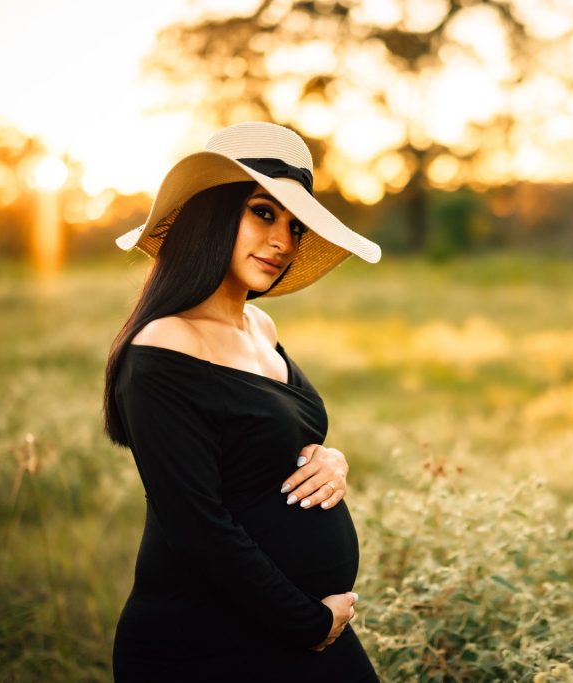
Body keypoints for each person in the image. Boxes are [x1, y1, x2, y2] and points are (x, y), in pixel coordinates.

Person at [102, 122, 382, 681]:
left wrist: (330, 458)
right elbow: (197, 528)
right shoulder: (161, 350)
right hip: (207, 641)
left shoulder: (262, 326)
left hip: (295, 628)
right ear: (211, 213)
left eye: (294, 224)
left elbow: (281, 437)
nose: (283, 240)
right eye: (263, 211)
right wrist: (306, 622)